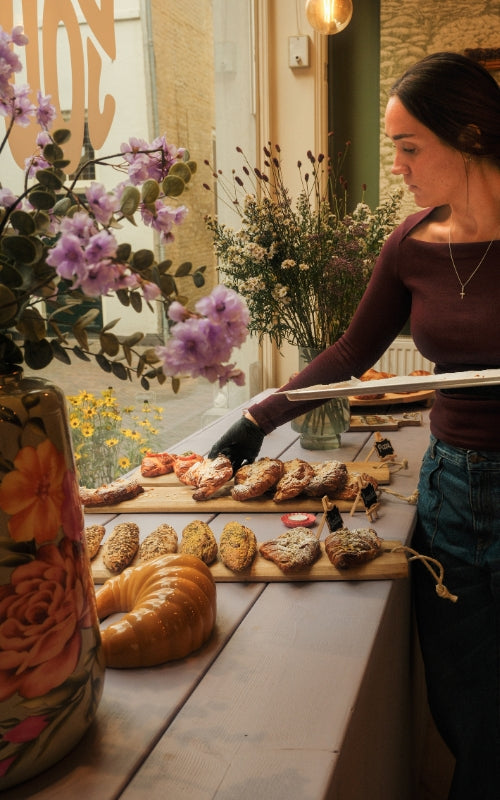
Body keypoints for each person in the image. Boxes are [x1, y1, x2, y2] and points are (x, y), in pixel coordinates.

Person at [208, 52, 500, 799]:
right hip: (454, 497)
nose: (396, 166)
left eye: (410, 148)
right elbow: (347, 352)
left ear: (468, 136)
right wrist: (258, 416)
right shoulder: (409, 246)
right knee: (467, 699)